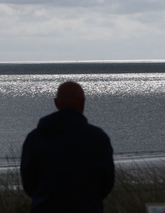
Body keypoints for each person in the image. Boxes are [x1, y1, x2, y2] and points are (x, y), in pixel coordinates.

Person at [20, 81, 115, 213]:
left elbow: (28, 182)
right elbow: (107, 181)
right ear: (82, 102)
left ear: (56, 103)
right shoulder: (97, 138)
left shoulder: (35, 138)